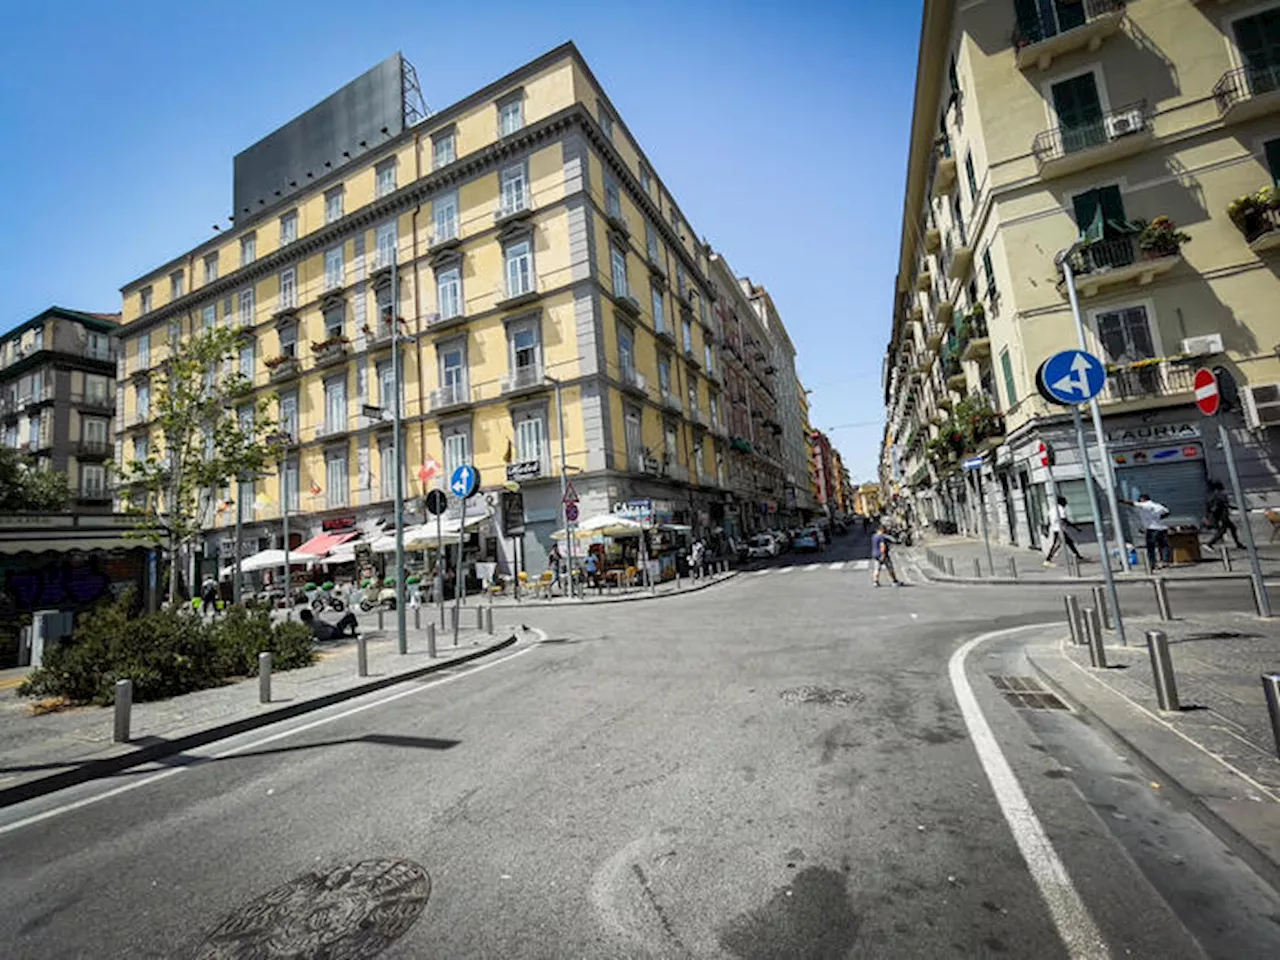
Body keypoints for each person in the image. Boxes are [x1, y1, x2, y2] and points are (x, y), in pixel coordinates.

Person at [1121, 493, 1172, 569]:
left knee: (1151, 547)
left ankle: (1153, 564)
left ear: (1143, 499)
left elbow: (1132, 503)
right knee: (1164, 546)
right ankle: (1165, 561)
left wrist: (1121, 501)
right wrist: (1159, 518)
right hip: (1162, 528)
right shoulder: (1157, 506)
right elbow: (1167, 511)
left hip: (1152, 529)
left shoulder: (1144, 505)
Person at [1042, 495, 1084, 567]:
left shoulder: (1052, 509)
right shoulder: (1060, 509)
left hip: (1055, 529)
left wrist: (1047, 529)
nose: (1066, 503)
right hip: (1059, 529)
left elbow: (1048, 520)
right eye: (1065, 502)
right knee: (1057, 545)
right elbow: (1064, 520)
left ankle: (1078, 556)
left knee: (1069, 542)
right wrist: (1075, 527)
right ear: (1062, 502)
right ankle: (1047, 560)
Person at [1205, 480, 1245, 551]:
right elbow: (1222, 506)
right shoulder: (1219, 495)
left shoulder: (1213, 495)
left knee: (1232, 528)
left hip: (1221, 515)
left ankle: (1238, 543)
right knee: (1223, 530)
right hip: (1223, 516)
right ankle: (1209, 543)